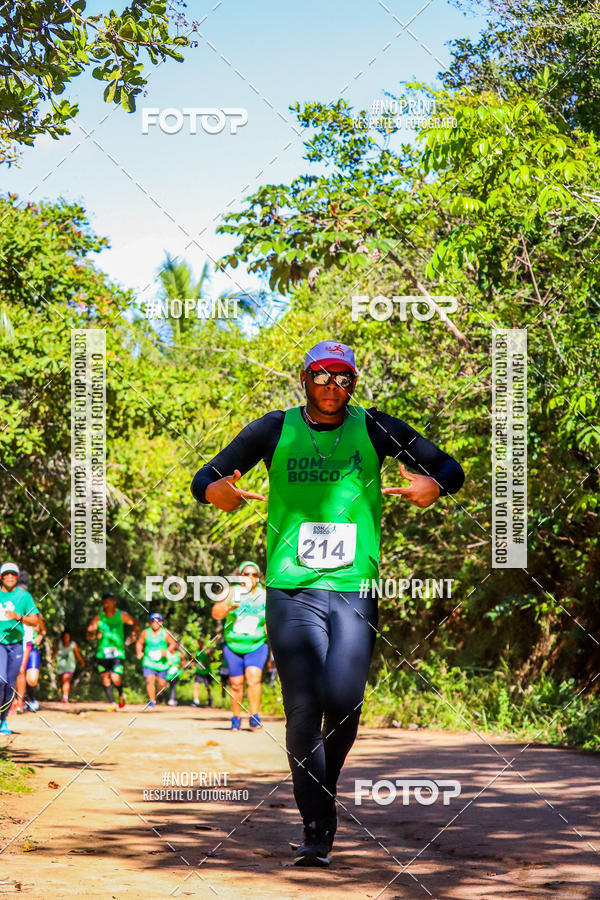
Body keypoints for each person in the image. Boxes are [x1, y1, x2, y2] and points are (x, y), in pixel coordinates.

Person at [192, 340, 464, 866]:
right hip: (291, 588)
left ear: (353, 383)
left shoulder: (376, 427)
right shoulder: (274, 428)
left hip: (355, 587)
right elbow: (206, 476)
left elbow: (450, 470)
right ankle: (318, 829)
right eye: (321, 376)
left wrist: (435, 486)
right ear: (304, 378)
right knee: (303, 707)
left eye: (342, 378)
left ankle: (320, 787)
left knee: (344, 703)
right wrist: (214, 492)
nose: (331, 386)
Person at [210, 561, 268, 731]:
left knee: (254, 677)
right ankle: (236, 718)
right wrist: (228, 608)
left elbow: (270, 620)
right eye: (246, 574)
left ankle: (254, 716)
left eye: (254, 574)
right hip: (233, 646)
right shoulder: (232, 592)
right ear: (240, 575)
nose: (250, 577)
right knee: (236, 684)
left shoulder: (264, 595)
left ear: (258, 578)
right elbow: (216, 613)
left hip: (257, 644)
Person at [0, 562, 40, 734]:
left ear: (17, 577)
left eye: (13, 574)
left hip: (16, 645)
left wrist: (18, 616)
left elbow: (35, 621)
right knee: (0, 680)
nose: (10, 577)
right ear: (1, 577)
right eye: (6, 574)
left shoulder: (24, 597)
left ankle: (3, 722)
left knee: (10, 685)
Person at [87, 593, 139, 712]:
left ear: (114, 601)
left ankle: (121, 694)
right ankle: (112, 703)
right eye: (104, 600)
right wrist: (94, 634)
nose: (106, 602)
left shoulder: (121, 615)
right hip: (102, 653)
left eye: (109, 600)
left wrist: (134, 634)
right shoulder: (99, 618)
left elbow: (135, 623)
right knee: (105, 677)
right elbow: (89, 633)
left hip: (117, 652)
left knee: (115, 677)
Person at [136, 613, 177, 709]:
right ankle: (152, 701)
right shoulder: (145, 632)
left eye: (157, 621)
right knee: (149, 680)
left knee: (161, 683)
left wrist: (167, 651)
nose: (155, 623)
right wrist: (139, 652)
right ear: (150, 622)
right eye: (153, 621)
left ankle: (160, 694)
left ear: (161, 622)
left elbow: (173, 644)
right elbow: (139, 643)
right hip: (148, 661)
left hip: (162, 663)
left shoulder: (165, 632)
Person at [54, 632, 85, 703]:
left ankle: (65, 697)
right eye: (65, 637)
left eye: (68, 637)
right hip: (61, 666)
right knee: (62, 681)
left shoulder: (73, 645)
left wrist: (82, 661)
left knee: (66, 679)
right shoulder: (59, 644)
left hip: (70, 666)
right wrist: (52, 658)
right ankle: (63, 695)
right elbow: (54, 652)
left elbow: (77, 654)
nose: (66, 638)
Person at [192, 637, 214, 708]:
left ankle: (209, 698)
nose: (199, 644)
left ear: (202, 643)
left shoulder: (207, 651)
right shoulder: (197, 651)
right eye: (198, 643)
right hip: (199, 672)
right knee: (196, 686)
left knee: (207, 687)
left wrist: (206, 663)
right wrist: (193, 663)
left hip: (206, 672)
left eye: (201, 643)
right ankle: (196, 701)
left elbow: (213, 659)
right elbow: (196, 660)